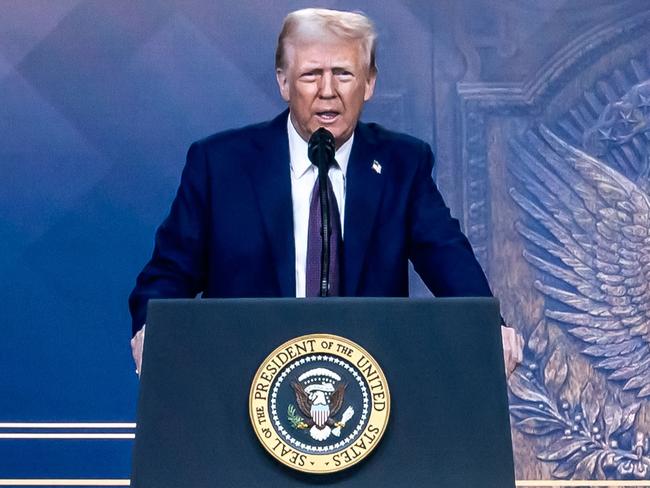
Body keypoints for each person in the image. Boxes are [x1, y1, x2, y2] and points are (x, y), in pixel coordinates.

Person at [129, 8, 523, 376]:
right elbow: (168, 275)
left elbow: (449, 261)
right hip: (243, 386)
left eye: (344, 74)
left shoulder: (402, 164)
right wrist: (153, 329)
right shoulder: (220, 166)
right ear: (283, 82)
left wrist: (488, 328)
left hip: (369, 392)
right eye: (311, 75)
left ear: (369, 83)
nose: (328, 90)